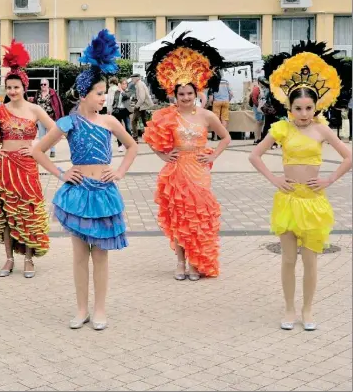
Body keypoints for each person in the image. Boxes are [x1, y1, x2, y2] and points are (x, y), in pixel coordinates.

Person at [33, 30, 138, 330]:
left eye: (105, 92)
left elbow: (132, 146)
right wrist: (62, 172)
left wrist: (119, 172)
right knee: (80, 256)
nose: (104, 98)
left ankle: (100, 310)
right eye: (99, 93)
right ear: (83, 94)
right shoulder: (69, 122)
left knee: (101, 256)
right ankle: (81, 309)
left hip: (103, 192)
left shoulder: (110, 121)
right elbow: (37, 150)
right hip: (77, 193)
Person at [249, 42, 352, 331]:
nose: (304, 113)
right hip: (288, 200)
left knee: (310, 261)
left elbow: (349, 157)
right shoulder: (282, 129)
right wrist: (275, 180)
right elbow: (255, 156)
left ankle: (308, 310)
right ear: (289, 108)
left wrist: (330, 179)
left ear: (315, 107)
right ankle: (290, 309)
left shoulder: (322, 129)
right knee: (288, 259)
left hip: (314, 202)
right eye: (298, 108)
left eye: (308, 108)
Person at [143, 31, 231, 281]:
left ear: (196, 93)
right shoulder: (167, 115)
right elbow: (150, 138)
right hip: (177, 169)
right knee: (180, 216)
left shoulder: (207, 116)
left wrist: (213, 155)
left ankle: (196, 261)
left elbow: (226, 137)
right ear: (174, 94)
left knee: (198, 216)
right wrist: (163, 156)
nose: (185, 98)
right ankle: (180, 262)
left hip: (199, 171)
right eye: (181, 94)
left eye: (189, 94)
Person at [0, 40, 54, 278]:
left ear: (24, 87)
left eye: (16, 87)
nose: (12, 91)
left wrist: (38, 149)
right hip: (4, 166)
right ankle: (9, 259)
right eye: (9, 87)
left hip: (27, 166)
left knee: (27, 211)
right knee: (6, 212)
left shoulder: (35, 110)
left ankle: (28, 259)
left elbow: (56, 131)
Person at [34, 78, 64, 158]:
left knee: (52, 135)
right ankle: (42, 150)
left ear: (48, 85)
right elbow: (35, 104)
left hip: (50, 118)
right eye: (41, 84)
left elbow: (58, 106)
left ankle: (52, 150)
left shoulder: (53, 93)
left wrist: (58, 118)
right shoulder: (38, 93)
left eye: (45, 84)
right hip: (40, 119)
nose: (43, 86)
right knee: (41, 136)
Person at [112, 77, 133, 150]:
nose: (125, 85)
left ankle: (130, 143)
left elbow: (126, 96)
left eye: (125, 84)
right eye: (123, 84)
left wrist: (121, 90)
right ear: (120, 84)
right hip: (118, 111)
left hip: (125, 110)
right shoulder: (116, 92)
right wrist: (113, 108)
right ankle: (120, 145)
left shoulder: (129, 91)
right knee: (118, 129)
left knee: (128, 128)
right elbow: (114, 101)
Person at [131, 73, 154, 142]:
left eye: (133, 78)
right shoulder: (140, 84)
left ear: (136, 78)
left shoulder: (139, 85)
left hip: (142, 106)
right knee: (145, 122)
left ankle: (135, 138)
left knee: (133, 121)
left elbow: (142, 98)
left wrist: (136, 106)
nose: (132, 80)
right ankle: (150, 137)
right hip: (144, 105)